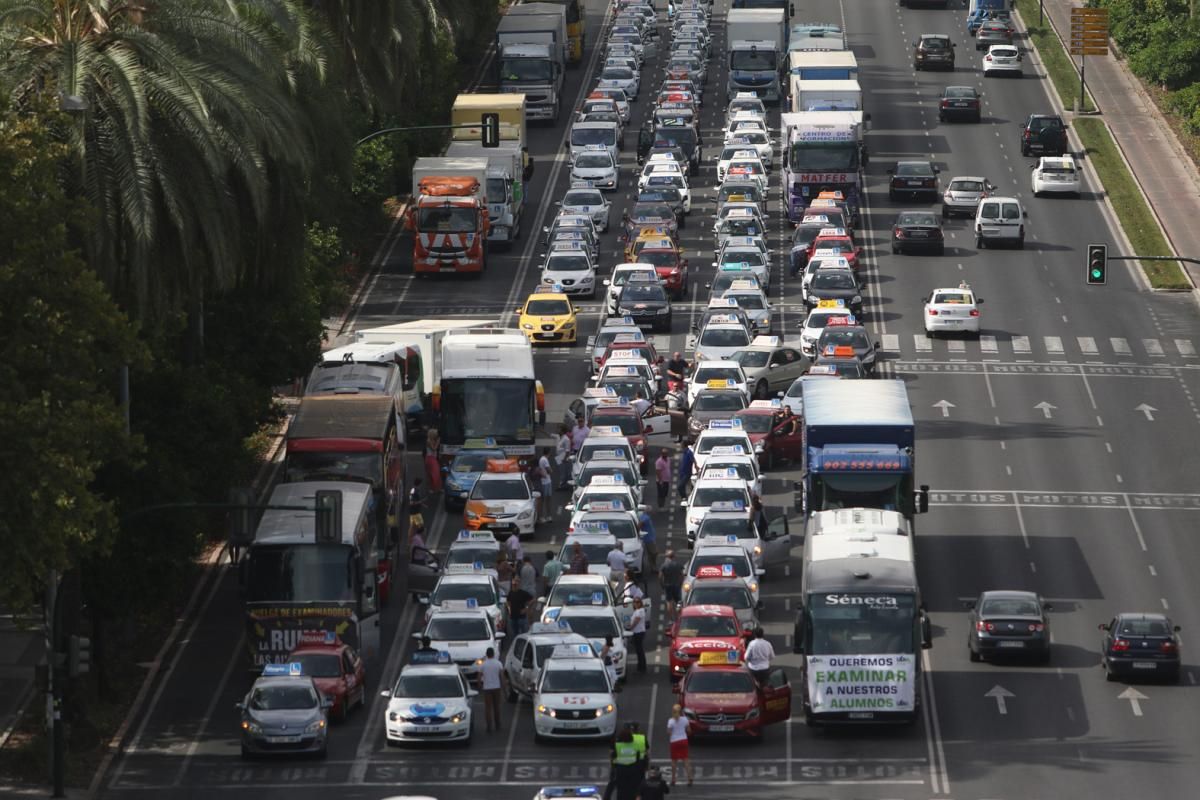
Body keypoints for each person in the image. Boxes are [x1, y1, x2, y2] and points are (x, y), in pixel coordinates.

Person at [604, 725, 642, 800]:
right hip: (632, 771)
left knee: (621, 790)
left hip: (620, 771)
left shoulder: (618, 746)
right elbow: (638, 758)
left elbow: (613, 756)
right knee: (631, 790)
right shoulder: (634, 746)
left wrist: (614, 765)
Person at [480, 647, 506, 732]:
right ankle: (497, 724)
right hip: (496, 687)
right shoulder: (498, 663)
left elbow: (479, 676)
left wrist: (480, 686)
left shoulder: (483, 664)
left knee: (488, 708)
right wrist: (503, 687)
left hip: (487, 688)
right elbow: (502, 676)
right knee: (496, 707)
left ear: (487, 655)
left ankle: (489, 726)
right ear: (493, 654)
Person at [666, 704, 692, 787]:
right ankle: (689, 778)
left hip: (674, 742)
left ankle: (673, 779)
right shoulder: (685, 719)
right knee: (685, 760)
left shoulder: (670, 721)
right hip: (683, 740)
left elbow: (669, 732)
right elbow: (689, 730)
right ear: (681, 711)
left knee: (674, 762)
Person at [660, 550, 683, 623]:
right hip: (677, 585)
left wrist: (662, 584)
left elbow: (660, 576)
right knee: (678, 602)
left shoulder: (664, 565)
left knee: (669, 602)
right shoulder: (678, 564)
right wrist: (680, 583)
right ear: (674, 556)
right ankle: (680, 617)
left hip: (667, 585)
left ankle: (671, 619)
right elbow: (682, 575)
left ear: (667, 557)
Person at [628, 597, 647, 673]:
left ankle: (642, 667)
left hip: (639, 632)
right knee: (638, 650)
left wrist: (630, 628)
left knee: (640, 650)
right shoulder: (637, 611)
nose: (636, 603)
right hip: (637, 632)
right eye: (635, 602)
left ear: (640, 603)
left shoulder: (640, 611)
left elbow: (636, 621)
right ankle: (640, 666)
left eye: (638, 602)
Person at [537, 447, 555, 522]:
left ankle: (545, 516)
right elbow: (549, 470)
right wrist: (551, 470)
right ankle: (545, 516)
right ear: (549, 452)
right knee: (545, 500)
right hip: (545, 482)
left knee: (545, 499)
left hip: (546, 481)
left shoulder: (542, 459)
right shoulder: (544, 460)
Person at [424, 428, 442, 493]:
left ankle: (436, 488)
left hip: (433, 458)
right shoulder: (428, 441)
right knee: (434, 473)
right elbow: (434, 448)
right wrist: (437, 442)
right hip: (430, 458)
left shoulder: (433, 440)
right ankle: (432, 488)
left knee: (436, 473)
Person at [555, 424, 573, 490]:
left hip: (563, 458)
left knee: (563, 472)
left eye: (559, 429)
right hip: (559, 457)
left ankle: (562, 485)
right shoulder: (560, 437)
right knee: (562, 471)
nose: (557, 430)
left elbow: (568, 450)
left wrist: (565, 459)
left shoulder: (566, 439)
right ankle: (564, 484)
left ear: (562, 430)